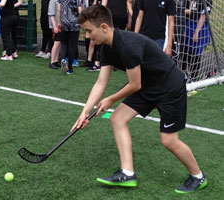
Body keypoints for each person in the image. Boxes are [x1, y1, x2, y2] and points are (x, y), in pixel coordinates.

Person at [73, 4, 207, 194]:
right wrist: (84, 112)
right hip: (148, 84)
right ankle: (127, 173)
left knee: (169, 140)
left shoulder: (128, 46)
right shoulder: (106, 47)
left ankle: (198, 176)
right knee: (117, 118)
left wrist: (110, 99)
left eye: (88, 31)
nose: (87, 37)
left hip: (169, 86)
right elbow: (100, 82)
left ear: (103, 27)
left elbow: (134, 85)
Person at [181, 0, 213, 81]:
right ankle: (185, 73)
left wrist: (196, 32)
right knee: (186, 51)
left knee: (195, 54)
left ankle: (194, 77)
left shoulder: (206, 1)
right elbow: (191, 10)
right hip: (190, 25)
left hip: (199, 27)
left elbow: (203, 16)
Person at [58, 0, 82, 74]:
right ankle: (70, 68)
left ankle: (63, 58)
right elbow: (80, 9)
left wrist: (59, 22)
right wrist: (82, 21)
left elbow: (59, 8)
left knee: (64, 42)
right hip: (75, 23)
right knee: (72, 45)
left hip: (64, 22)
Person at [48, 0, 61, 69]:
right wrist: (54, 26)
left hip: (60, 25)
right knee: (56, 43)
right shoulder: (52, 1)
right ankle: (52, 61)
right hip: (55, 25)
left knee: (59, 43)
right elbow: (51, 14)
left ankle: (56, 60)